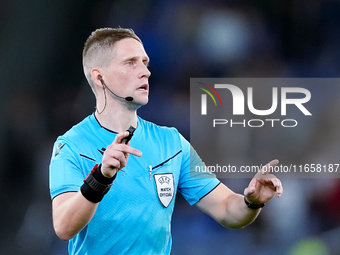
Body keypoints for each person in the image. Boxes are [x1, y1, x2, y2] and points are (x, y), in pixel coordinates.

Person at [49, 27, 283, 255]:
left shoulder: (171, 143)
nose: (145, 71)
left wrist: (252, 202)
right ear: (100, 77)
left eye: (145, 62)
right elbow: (63, 227)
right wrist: (101, 177)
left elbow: (226, 209)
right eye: (130, 62)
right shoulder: (71, 145)